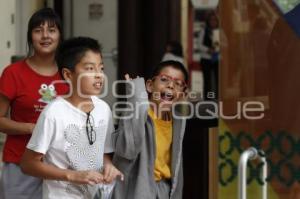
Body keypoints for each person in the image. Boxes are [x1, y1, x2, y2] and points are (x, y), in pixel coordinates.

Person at [20, 37, 124, 199]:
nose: (99, 75)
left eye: (101, 68)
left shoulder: (104, 109)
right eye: (90, 68)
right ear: (68, 75)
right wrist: (72, 175)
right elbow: (28, 164)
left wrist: (109, 165)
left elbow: (104, 153)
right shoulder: (53, 113)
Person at [0, 8, 68, 199]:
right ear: (30, 36)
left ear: (60, 35)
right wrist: (33, 128)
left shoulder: (70, 74)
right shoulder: (13, 73)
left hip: (60, 164)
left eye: (52, 30)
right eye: (38, 30)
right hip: (20, 162)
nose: (45, 35)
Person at [112, 60, 188, 199]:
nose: (171, 85)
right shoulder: (138, 113)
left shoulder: (178, 122)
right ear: (149, 85)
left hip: (163, 190)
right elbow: (127, 151)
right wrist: (135, 98)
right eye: (164, 79)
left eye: (178, 84)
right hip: (137, 190)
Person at [199, 11, 219, 100]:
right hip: (206, 58)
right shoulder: (204, 31)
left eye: (215, 20)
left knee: (217, 79)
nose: (213, 22)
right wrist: (208, 50)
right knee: (207, 80)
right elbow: (199, 44)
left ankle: (217, 97)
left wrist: (218, 48)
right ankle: (207, 98)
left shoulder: (219, 31)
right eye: (211, 20)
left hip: (216, 58)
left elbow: (226, 43)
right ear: (208, 21)